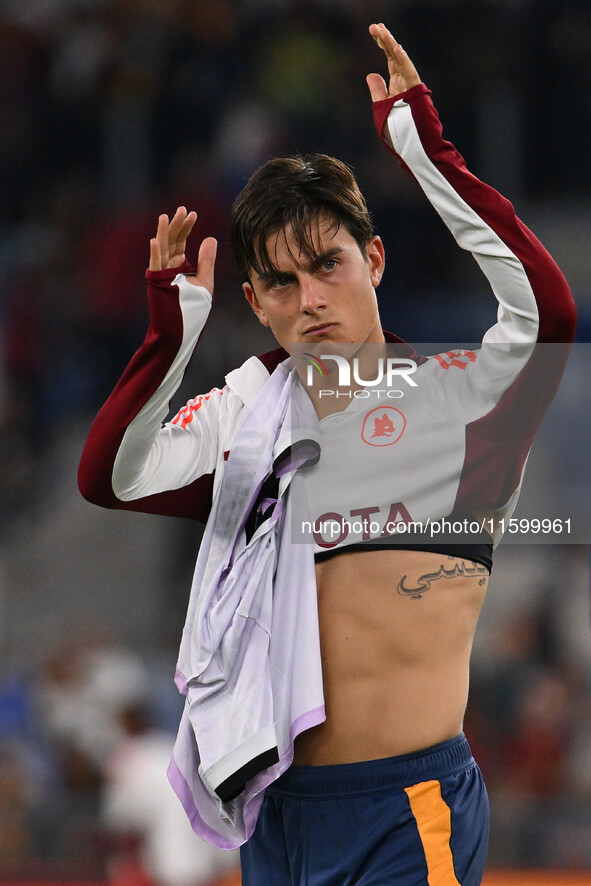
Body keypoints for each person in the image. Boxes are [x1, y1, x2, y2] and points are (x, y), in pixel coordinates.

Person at [78, 23, 576, 886]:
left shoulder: (464, 402)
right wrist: (170, 336)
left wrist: (425, 153)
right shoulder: (248, 412)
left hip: (406, 810)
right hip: (276, 816)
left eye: (327, 265)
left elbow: (546, 316)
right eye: (280, 281)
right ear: (254, 302)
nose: (309, 299)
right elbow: (113, 476)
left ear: (373, 259)